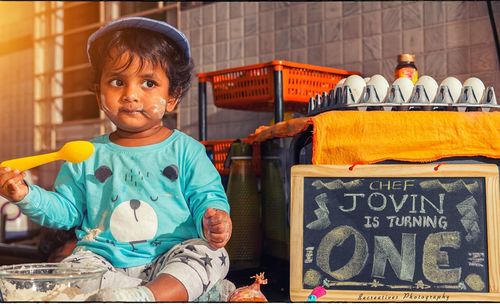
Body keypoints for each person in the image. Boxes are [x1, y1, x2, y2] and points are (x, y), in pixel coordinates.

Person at [0, 17, 233, 302]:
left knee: (211, 254)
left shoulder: (187, 151)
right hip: (104, 263)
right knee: (72, 266)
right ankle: (186, 296)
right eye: (117, 81)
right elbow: (66, 212)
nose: (131, 95)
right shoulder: (86, 154)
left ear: (172, 97)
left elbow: (206, 197)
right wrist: (25, 195)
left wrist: (214, 218)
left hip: (171, 260)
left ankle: (147, 297)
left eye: (149, 83)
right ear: (99, 93)